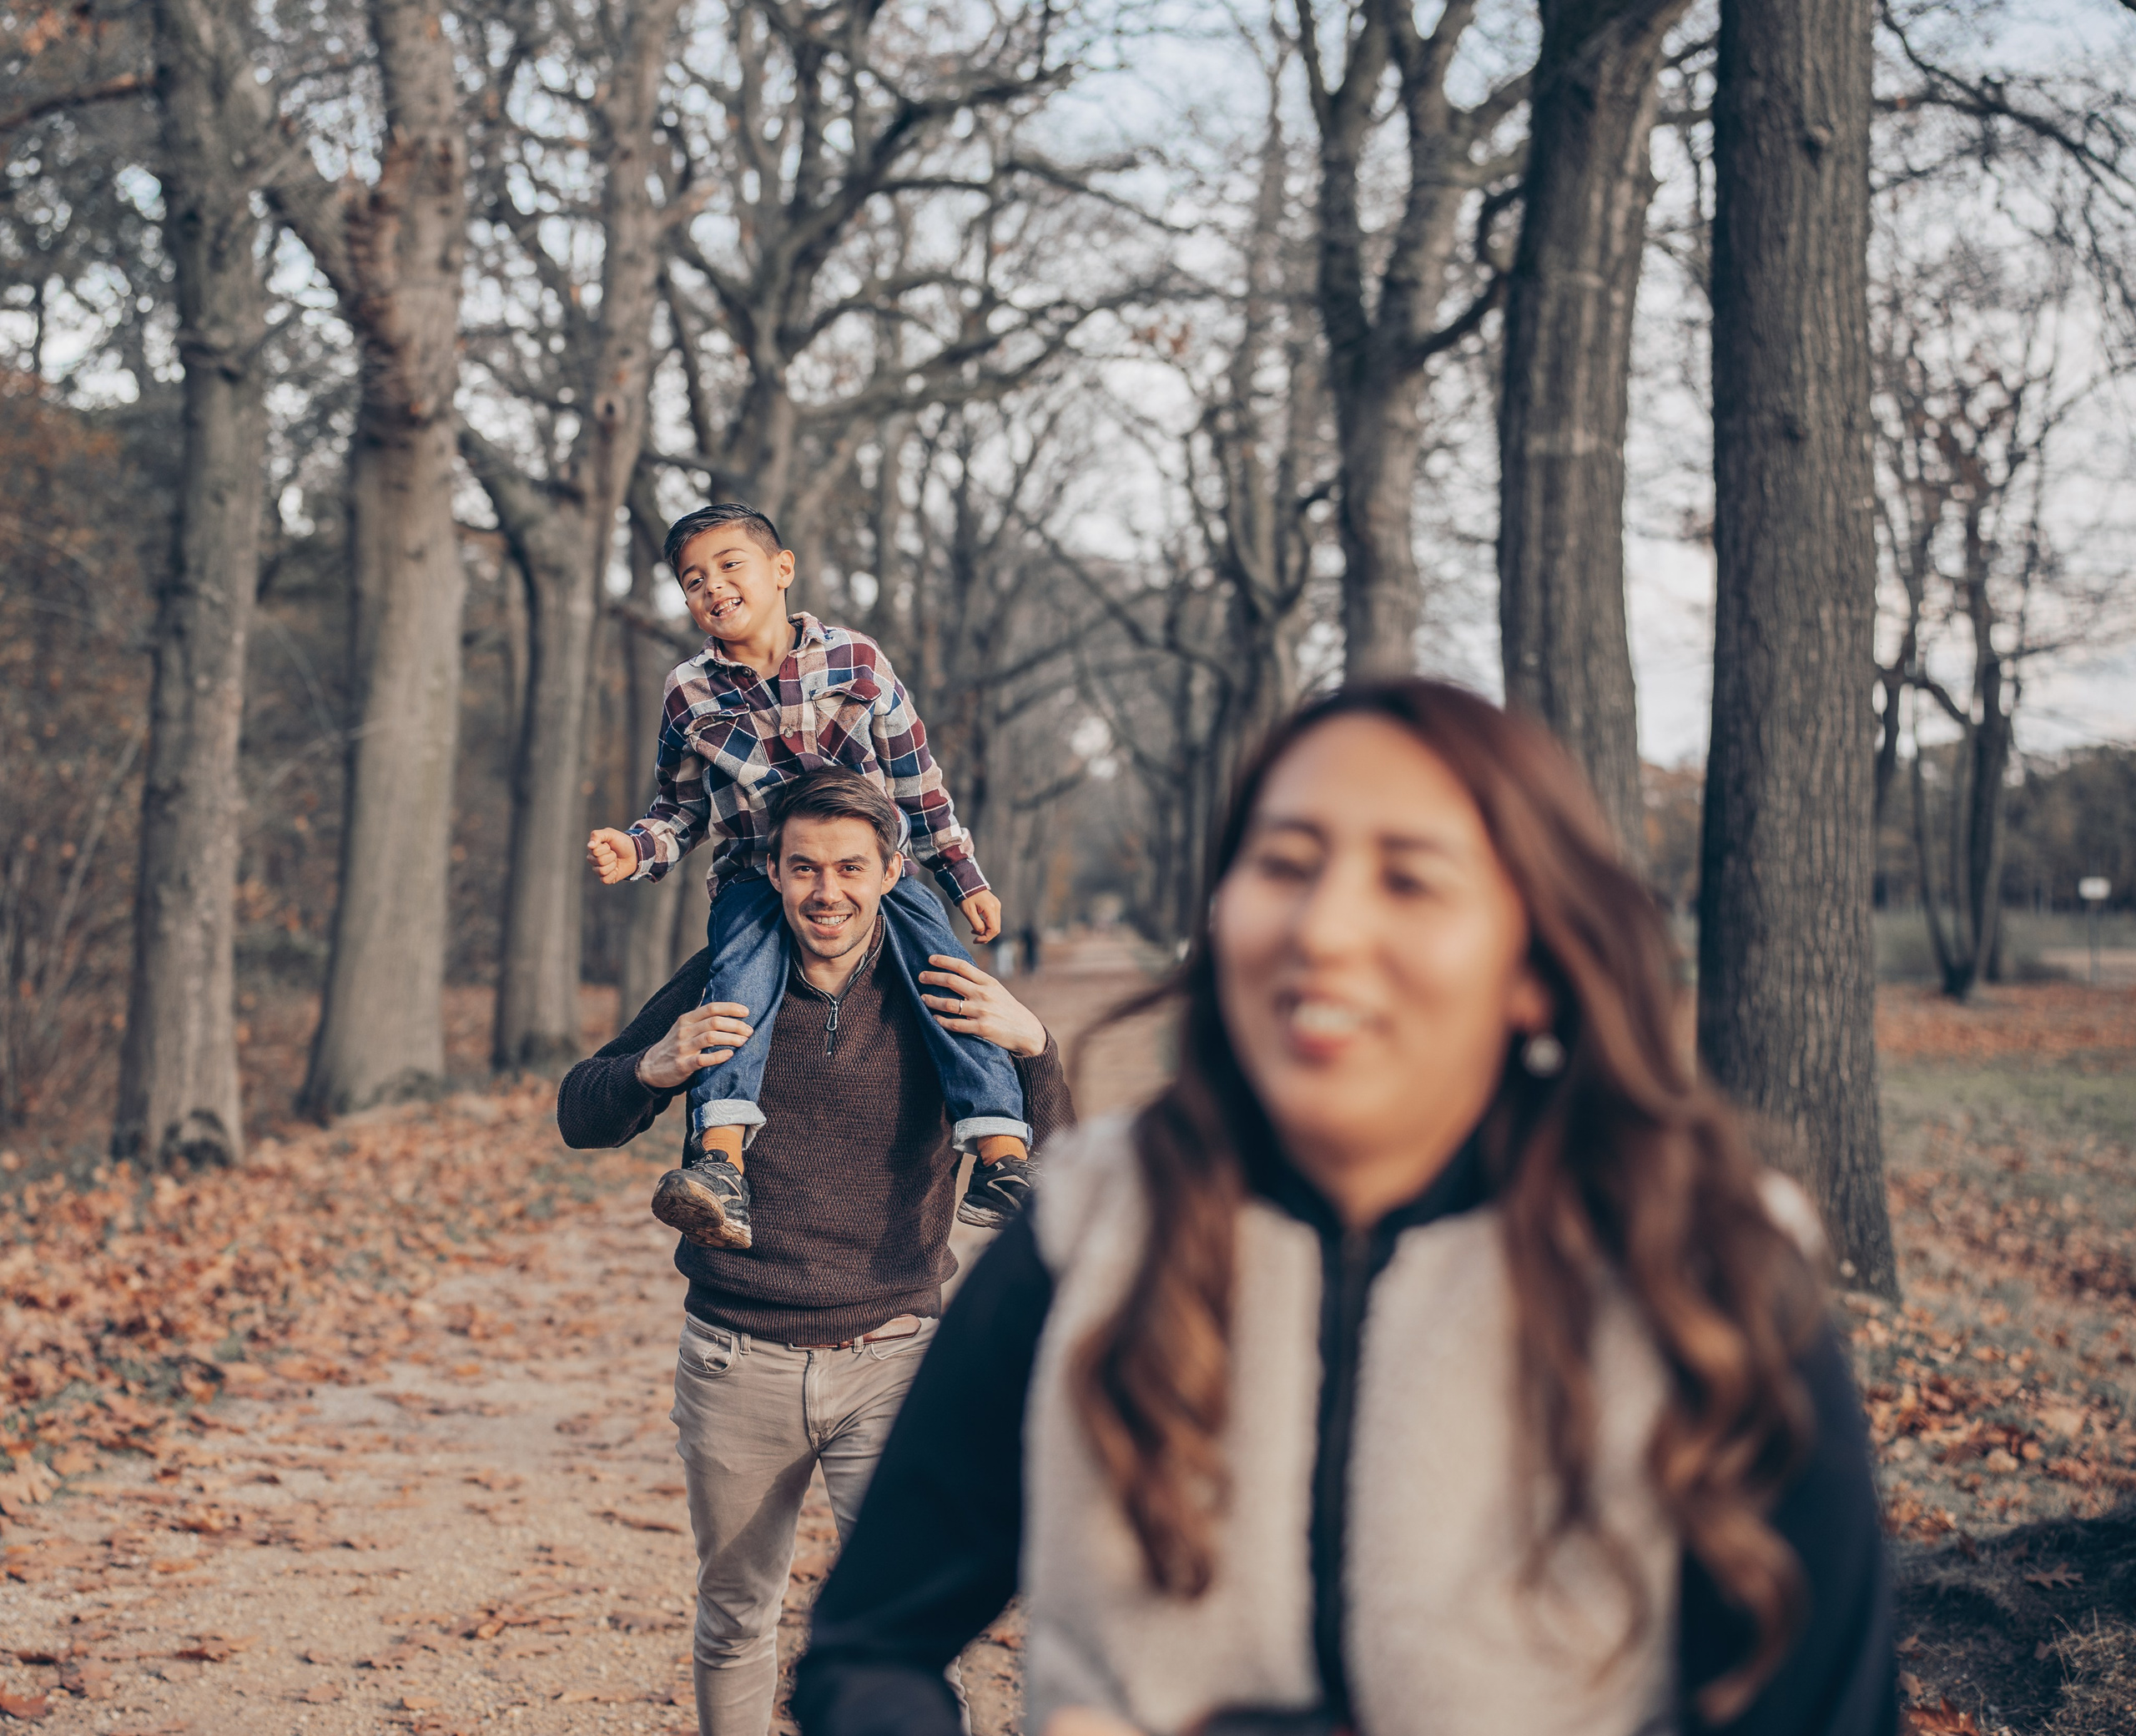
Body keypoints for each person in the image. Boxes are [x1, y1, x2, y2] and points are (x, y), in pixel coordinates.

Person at [792, 680, 1896, 1736]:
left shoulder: (1702, 1268)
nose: (1324, 929)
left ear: (1536, 964)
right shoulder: (1092, 1233)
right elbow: (866, 1649)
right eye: (1286, 863)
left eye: (1410, 879)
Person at [559, 767, 1075, 1736]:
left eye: (848, 867)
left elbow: (1057, 1158)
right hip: (734, 1356)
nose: (824, 891)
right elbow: (578, 1110)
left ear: (889, 873)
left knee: (909, 1629)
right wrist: (651, 1067)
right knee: (736, 1616)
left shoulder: (937, 987)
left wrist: (1036, 1045)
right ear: (775, 870)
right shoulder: (725, 973)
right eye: (802, 868)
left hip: (893, 1356)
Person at [587, 502, 1032, 1251]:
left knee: (950, 976)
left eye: (731, 565)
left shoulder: (856, 661)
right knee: (738, 984)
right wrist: (638, 849)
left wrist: (963, 876)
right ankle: (720, 1165)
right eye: (694, 579)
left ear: (781, 569)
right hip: (759, 880)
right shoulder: (688, 694)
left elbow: (917, 784)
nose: (714, 587)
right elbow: (680, 808)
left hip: (873, 879)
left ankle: (1001, 1154)